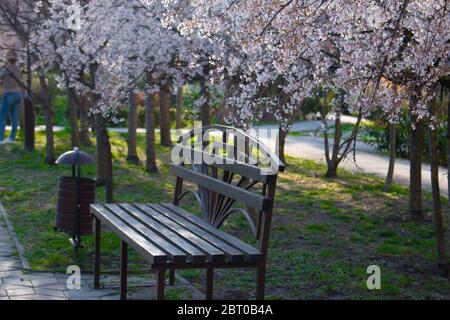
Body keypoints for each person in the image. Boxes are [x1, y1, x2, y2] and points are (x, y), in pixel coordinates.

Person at [0, 50, 22, 144]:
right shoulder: (18, 68)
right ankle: (12, 138)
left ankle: (0, 139)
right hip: (17, 94)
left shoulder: (6, 68)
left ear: (8, 58)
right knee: (14, 118)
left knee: (2, 116)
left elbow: (0, 76)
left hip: (8, 94)